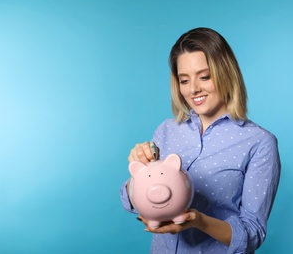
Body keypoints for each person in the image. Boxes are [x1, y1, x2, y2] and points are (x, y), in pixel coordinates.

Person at [120, 27, 281, 254]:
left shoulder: (260, 142)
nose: (194, 89)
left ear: (225, 73)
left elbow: (252, 234)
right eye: (184, 80)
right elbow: (129, 202)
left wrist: (198, 221)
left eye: (204, 77)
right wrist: (138, 173)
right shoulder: (167, 130)